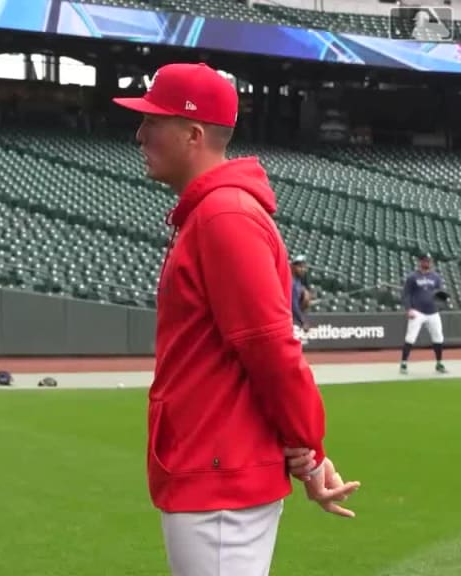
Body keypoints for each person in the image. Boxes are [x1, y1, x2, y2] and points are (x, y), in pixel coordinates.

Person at [112, 62, 361, 576]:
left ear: (193, 134)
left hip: (220, 472)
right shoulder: (212, 212)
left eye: (152, 122)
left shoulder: (224, 215)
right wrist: (307, 451)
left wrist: (310, 452)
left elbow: (271, 349)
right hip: (212, 464)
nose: (139, 134)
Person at [400, 252, 448, 374]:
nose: (428, 263)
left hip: (433, 312)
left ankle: (439, 363)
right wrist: (409, 308)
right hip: (417, 311)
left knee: (438, 337)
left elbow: (439, 293)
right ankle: (404, 363)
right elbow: (406, 294)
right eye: (425, 260)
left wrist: (442, 299)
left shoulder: (436, 277)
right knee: (410, 337)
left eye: (429, 261)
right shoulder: (412, 277)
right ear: (420, 262)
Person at [291, 254, 311, 331]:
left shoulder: (298, 280)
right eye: (300, 266)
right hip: (286, 319)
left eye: (304, 267)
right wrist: (303, 322)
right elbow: (293, 305)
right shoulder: (292, 282)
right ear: (293, 266)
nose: (303, 269)